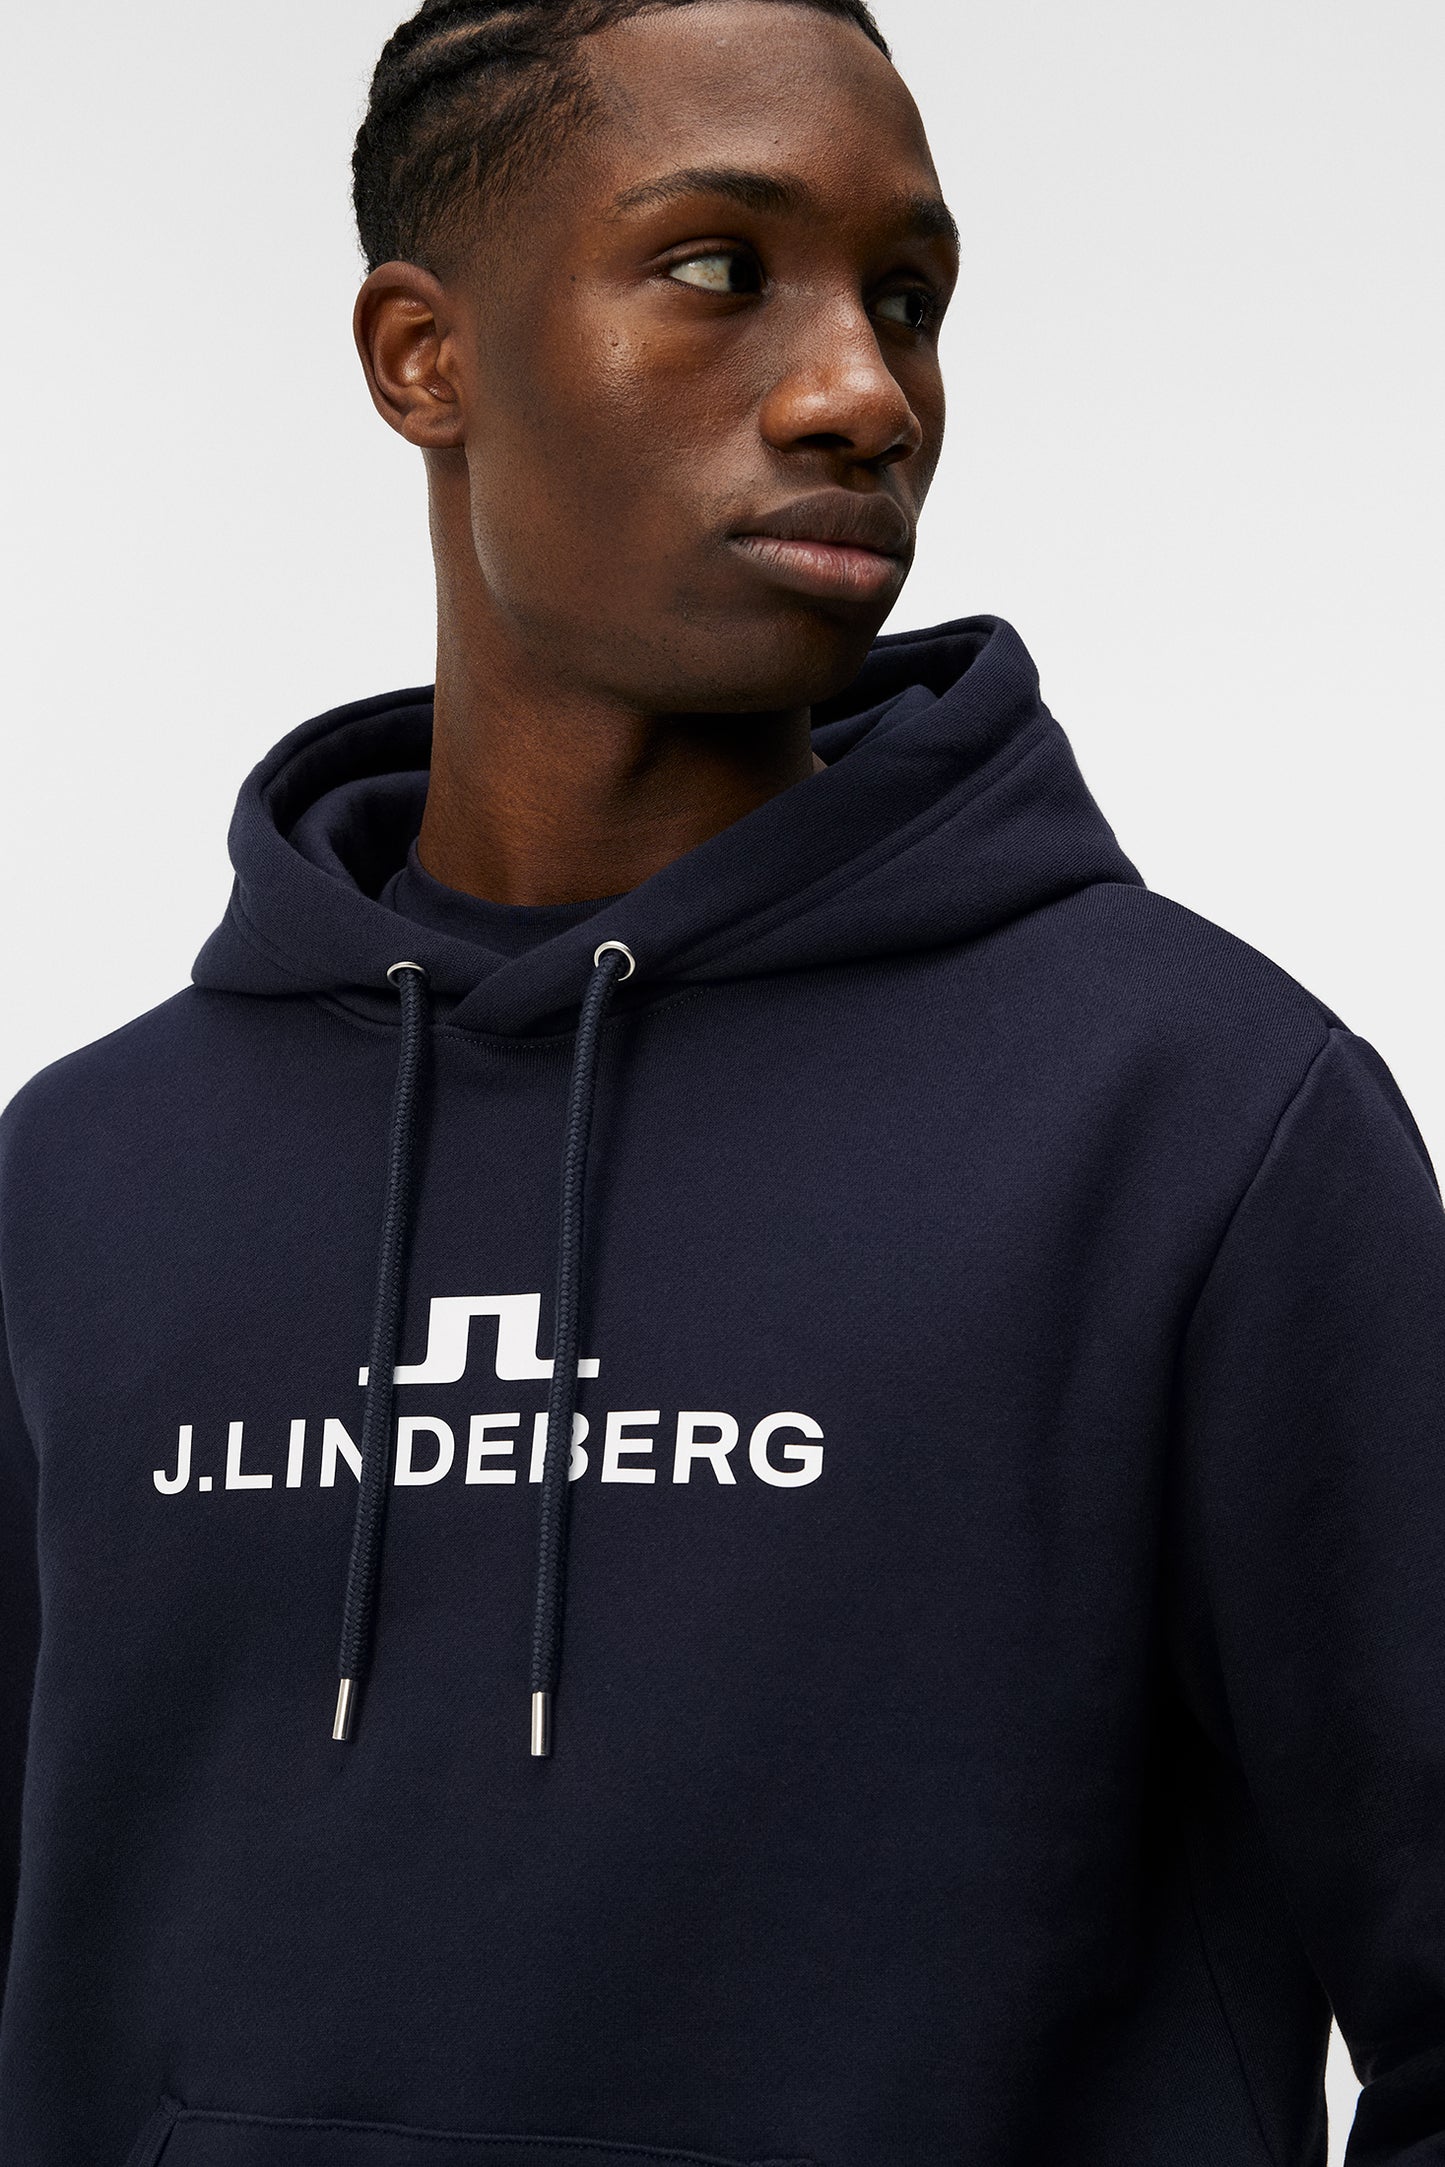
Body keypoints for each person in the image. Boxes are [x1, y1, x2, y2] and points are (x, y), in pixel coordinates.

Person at [1, 0, 1442, 2158]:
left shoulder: (1202, 1122)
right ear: (422, 357)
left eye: (909, 299)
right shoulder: (84, 1181)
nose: (866, 392)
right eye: (717, 267)